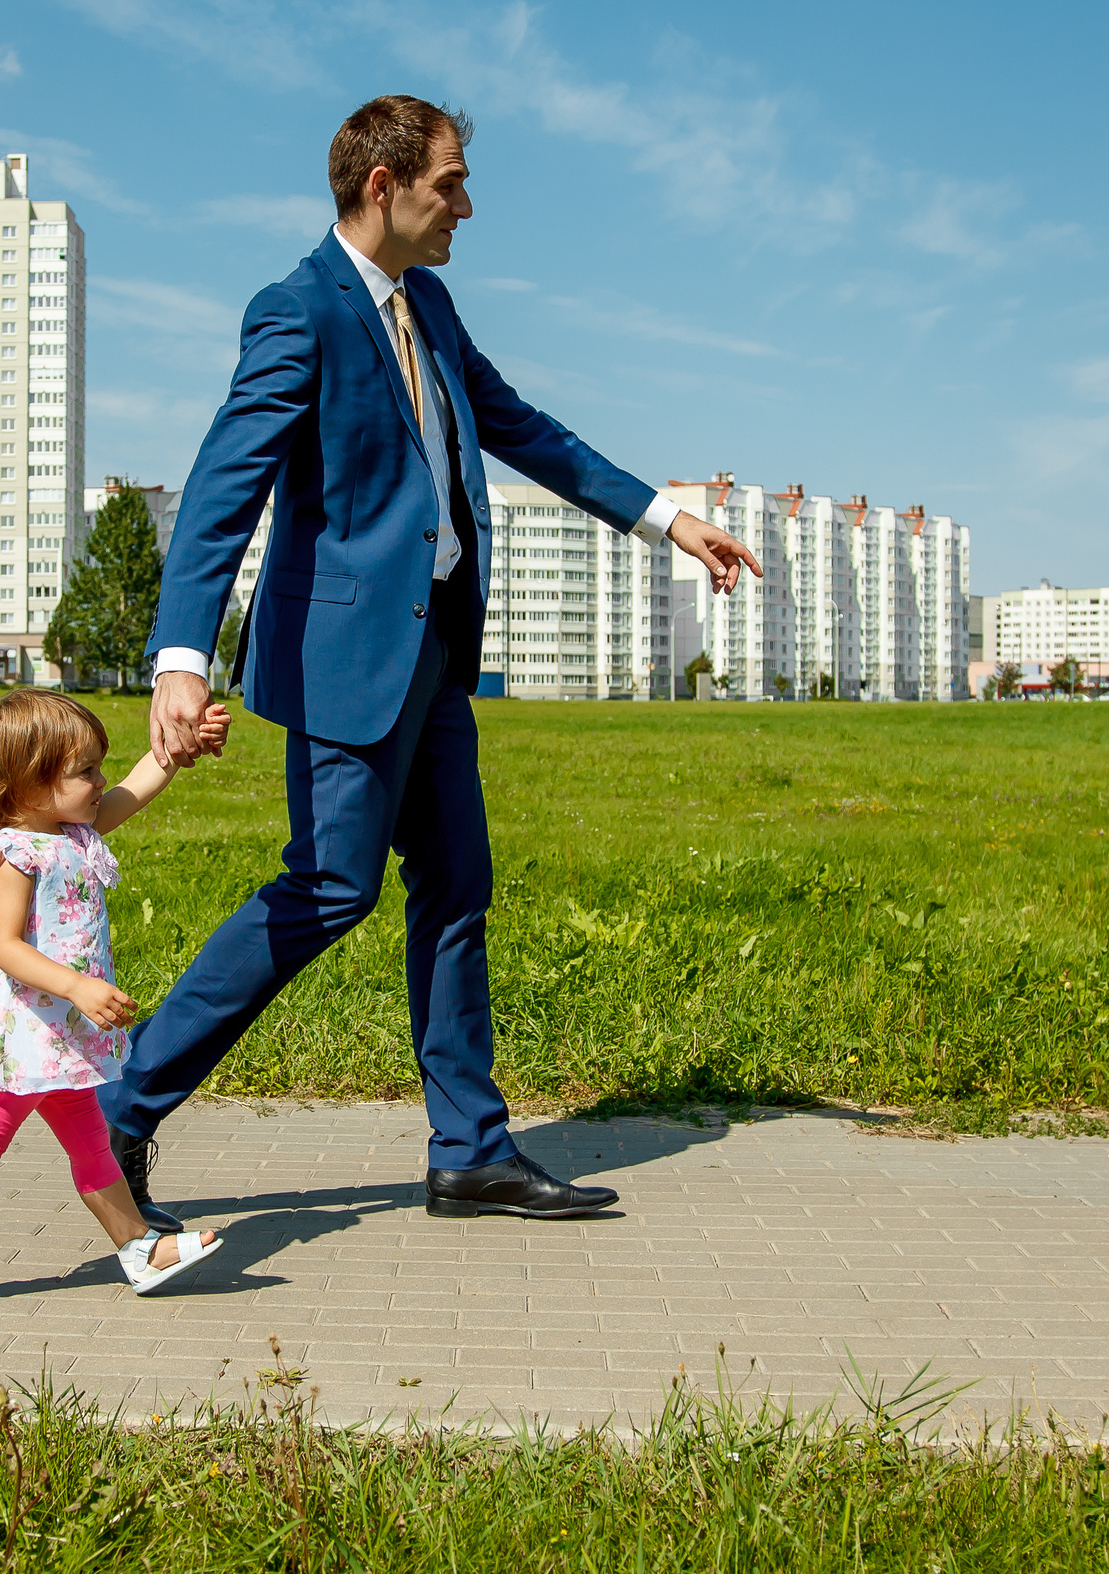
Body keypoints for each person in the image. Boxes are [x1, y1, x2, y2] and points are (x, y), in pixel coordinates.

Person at [98, 95, 763, 1227]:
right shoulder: (298, 311)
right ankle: (120, 1112)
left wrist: (663, 518)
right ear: (382, 185)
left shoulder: (432, 305)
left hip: (435, 652)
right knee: (329, 889)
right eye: (449, 182)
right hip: (340, 656)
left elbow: (520, 425)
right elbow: (223, 487)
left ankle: (471, 1150)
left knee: (456, 890)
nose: (466, 203)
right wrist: (179, 657)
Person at [0, 689, 231, 1314]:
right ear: (29, 785)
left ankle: (137, 1248)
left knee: (90, 1143)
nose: (100, 781)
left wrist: (180, 745)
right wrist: (77, 986)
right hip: (24, 1033)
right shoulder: (17, 853)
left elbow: (136, 788)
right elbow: (5, 946)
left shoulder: (74, 831)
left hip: (60, 1037)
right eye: (85, 772)